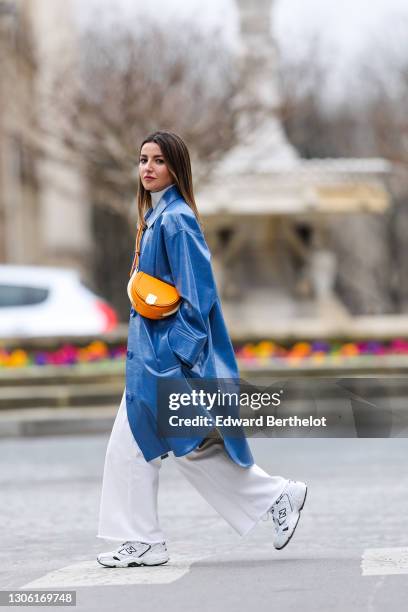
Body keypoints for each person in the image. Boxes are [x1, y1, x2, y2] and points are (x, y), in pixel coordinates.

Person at [96, 130, 307, 568]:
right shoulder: (155, 218)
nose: (148, 168)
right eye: (143, 160)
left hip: (166, 362)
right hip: (151, 360)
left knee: (142, 447)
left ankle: (146, 542)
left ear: (176, 166)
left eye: (157, 160)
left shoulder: (176, 219)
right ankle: (277, 496)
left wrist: (181, 355)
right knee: (184, 450)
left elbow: (199, 296)